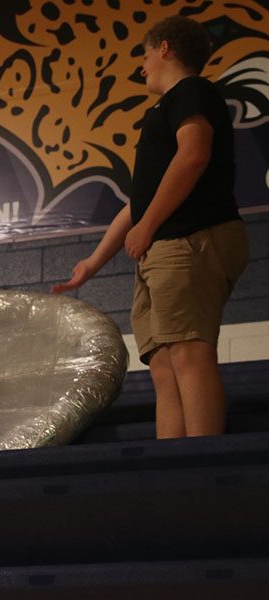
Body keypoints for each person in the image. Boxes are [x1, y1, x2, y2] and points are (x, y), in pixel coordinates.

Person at [52, 16, 248, 438]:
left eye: (143, 53)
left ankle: (204, 466)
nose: (141, 67)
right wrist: (92, 262)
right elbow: (137, 205)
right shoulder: (164, 110)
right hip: (163, 244)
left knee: (188, 351)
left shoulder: (191, 91)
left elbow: (193, 156)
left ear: (165, 49)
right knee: (162, 363)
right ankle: (173, 467)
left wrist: (150, 226)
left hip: (189, 238)